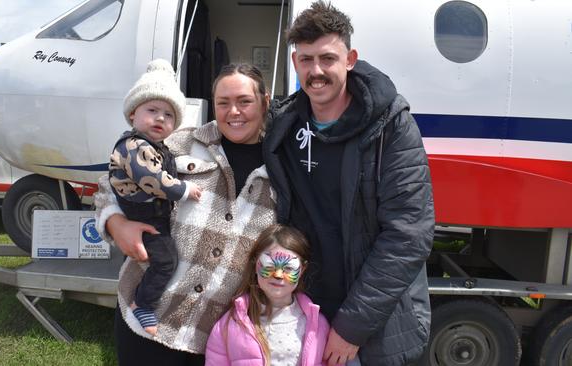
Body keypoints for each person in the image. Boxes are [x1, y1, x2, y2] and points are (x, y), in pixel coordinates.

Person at [262, 1, 435, 365]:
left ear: (350, 59)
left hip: (370, 327)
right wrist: (117, 212)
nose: (316, 71)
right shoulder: (284, 125)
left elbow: (408, 235)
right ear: (295, 63)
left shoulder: (391, 128)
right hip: (307, 311)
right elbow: (226, 140)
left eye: (327, 58)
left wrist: (351, 327)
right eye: (306, 59)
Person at [95, 63, 276, 365]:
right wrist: (116, 224)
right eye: (223, 103)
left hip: (216, 336)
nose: (234, 112)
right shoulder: (181, 143)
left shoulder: (282, 167)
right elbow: (107, 186)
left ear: (265, 101)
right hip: (146, 321)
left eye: (244, 101)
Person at [108, 59, 203, 335]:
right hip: (145, 216)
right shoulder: (134, 147)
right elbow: (153, 178)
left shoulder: (157, 147)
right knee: (165, 261)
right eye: (152, 110)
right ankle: (143, 304)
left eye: (169, 114)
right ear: (132, 115)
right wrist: (184, 190)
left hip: (151, 215)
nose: (161, 118)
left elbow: (166, 166)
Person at [206, 223, 343, 366]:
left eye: (289, 268)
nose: (278, 275)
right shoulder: (230, 324)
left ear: (302, 270)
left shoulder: (317, 325)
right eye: (270, 266)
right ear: (255, 264)